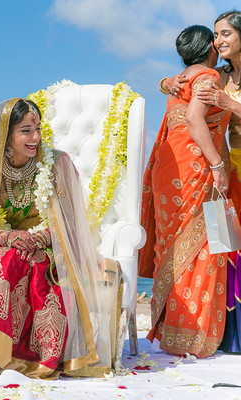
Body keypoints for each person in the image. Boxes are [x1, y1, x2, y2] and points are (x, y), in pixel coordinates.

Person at [0, 98, 120, 379]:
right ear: (5, 135)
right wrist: (8, 236)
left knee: (14, 261)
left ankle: (8, 357)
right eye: (25, 130)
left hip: (51, 249)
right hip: (3, 246)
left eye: (37, 129)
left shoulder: (57, 164)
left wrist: (39, 238)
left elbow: (72, 225)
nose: (35, 137)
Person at [139, 25, 232, 358]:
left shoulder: (178, 80)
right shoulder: (209, 76)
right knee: (202, 247)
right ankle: (193, 335)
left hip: (168, 165)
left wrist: (164, 81)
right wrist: (218, 165)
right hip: (194, 164)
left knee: (172, 244)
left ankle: (170, 331)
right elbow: (195, 119)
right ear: (209, 46)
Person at [161, 11, 241, 354]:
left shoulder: (221, 82)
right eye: (215, 35)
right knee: (227, 240)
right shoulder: (217, 73)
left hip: (227, 161)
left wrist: (232, 105)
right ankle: (223, 332)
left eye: (225, 34)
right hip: (223, 162)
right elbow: (188, 87)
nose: (218, 41)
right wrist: (166, 82)